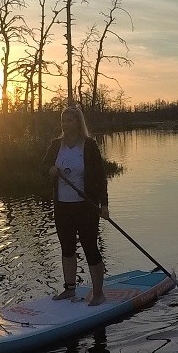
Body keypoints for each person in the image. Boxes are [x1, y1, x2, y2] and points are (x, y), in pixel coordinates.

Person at [42, 105, 109, 306]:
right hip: (63, 206)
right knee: (67, 248)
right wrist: (50, 169)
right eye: (63, 120)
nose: (65, 124)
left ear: (78, 122)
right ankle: (69, 289)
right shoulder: (56, 146)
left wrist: (104, 205)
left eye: (69, 120)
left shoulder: (89, 145)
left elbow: (100, 177)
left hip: (86, 206)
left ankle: (98, 293)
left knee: (90, 247)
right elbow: (42, 167)